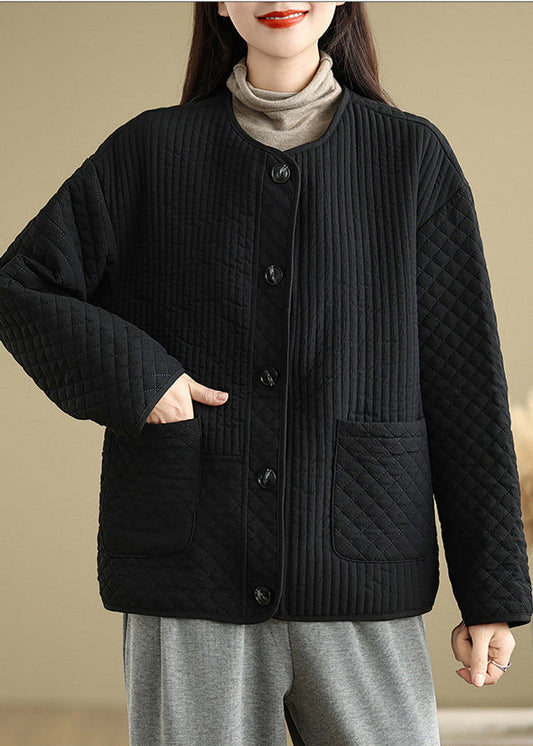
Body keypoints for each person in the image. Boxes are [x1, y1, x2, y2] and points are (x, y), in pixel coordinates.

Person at [0, 3, 532, 745]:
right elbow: (20, 285)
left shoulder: (411, 158)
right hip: (193, 569)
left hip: (359, 566)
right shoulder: (150, 150)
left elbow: (465, 385)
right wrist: (142, 379)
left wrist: (491, 593)